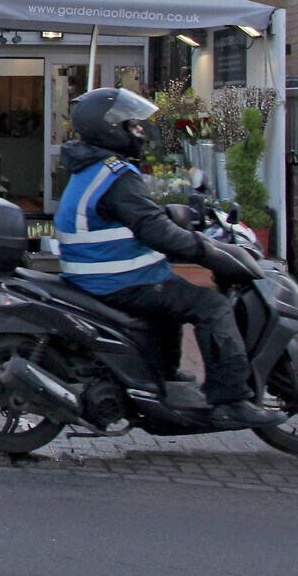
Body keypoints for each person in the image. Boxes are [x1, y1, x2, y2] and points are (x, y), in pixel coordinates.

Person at [56, 87, 283, 430]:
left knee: (172, 297)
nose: (139, 131)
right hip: (118, 280)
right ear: (110, 128)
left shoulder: (94, 167)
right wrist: (208, 253)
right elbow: (156, 233)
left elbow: (134, 217)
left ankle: (164, 372)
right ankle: (232, 399)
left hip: (98, 275)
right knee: (212, 307)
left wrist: (170, 214)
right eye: (132, 125)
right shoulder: (116, 177)